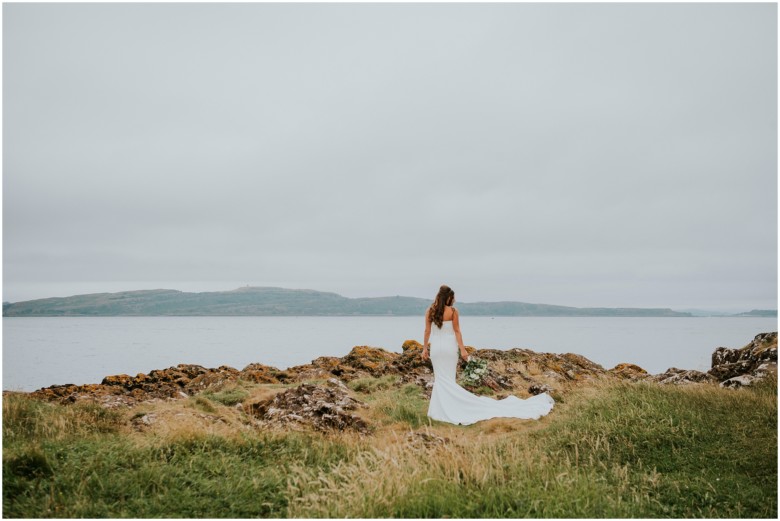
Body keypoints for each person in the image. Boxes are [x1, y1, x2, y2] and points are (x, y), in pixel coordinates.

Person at [421, 284, 555, 425]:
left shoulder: (430, 311)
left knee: (441, 379)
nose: (454, 300)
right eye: (453, 298)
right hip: (449, 349)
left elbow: (427, 331)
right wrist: (463, 350)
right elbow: (457, 331)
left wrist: (424, 349)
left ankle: (440, 410)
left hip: (436, 349)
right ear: (448, 298)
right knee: (449, 379)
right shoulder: (453, 312)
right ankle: (450, 408)